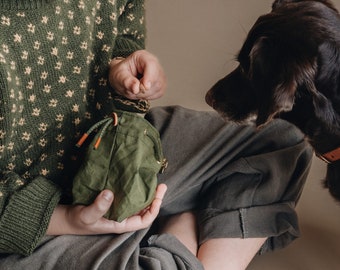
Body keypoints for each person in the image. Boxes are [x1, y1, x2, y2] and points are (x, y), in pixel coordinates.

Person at [0, 1, 313, 269]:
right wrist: (70, 220)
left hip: (118, 150)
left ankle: (167, 244)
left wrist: (120, 67)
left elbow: (122, 29)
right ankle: (186, 227)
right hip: (30, 227)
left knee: (282, 137)